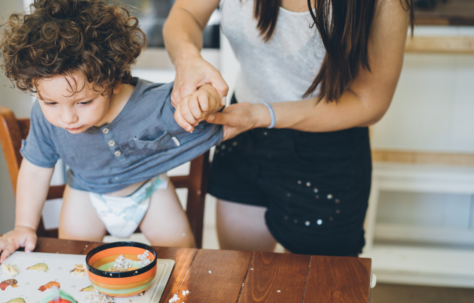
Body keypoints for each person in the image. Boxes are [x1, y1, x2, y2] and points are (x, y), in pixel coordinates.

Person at [163, 0, 414, 256]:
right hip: (244, 132)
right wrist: (187, 59)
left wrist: (261, 114)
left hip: (326, 152)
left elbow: (368, 101)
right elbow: (186, 13)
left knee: (318, 291)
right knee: (243, 279)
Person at [0, 0, 224, 263]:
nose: (66, 118)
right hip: (85, 193)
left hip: (149, 190)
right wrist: (24, 227)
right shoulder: (45, 118)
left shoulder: (152, 103)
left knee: (183, 261)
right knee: (71, 263)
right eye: (50, 102)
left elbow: (201, 94)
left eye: (84, 102)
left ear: (114, 81)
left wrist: (205, 97)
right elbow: (36, 168)